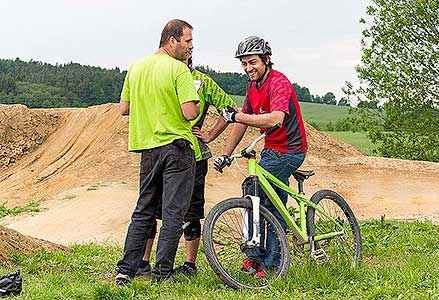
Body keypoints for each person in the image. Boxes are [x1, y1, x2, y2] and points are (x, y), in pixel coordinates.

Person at [214, 36, 308, 278]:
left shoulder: (278, 82)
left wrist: (238, 116)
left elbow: (275, 118)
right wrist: (225, 154)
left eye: (252, 62)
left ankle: (270, 264)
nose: (248, 68)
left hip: (290, 151)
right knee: (258, 194)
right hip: (271, 148)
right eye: (244, 64)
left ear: (266, 60)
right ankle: (257, 258)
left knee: (261, 196)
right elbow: (242, 121)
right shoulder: (252, 86)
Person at [114, 19, 200, 285]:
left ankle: (125, 271)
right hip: (177, 148)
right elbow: (190, 113)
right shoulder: (179, 70)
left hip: (148, 149)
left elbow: (123, 108)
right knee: (174, 213)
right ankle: (162, 275)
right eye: (187, 42)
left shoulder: (136, 67)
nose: (190, 48)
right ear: (171, 40)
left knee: (144, 210)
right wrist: (189, 99)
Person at [135, 56, 237, 278]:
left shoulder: (203, 81)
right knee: (151, 208)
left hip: (193, 154)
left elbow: (230, 108)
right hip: (158, 148)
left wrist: (209, 134)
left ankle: (189, 265)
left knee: (190, 211)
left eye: (189, 53)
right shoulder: (159, 76)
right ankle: (143, 262)